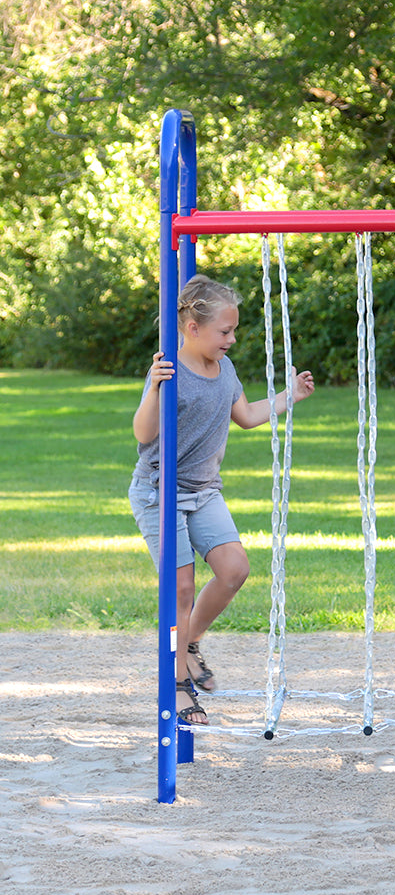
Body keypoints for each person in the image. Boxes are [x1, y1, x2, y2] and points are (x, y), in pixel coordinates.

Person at [130, 274, 315, 726]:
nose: (232, 339)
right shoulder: (170, 368)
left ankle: (189, 642)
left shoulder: (224, 368)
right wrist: (153, 388)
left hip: (203, 491)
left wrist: (291, 396)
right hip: (160, 491)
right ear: (193, 328)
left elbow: (247, 416)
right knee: (181, 588)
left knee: (235, 570)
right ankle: (175, 685)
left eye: (233, 331)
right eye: (224, 332)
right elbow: (143, 433)